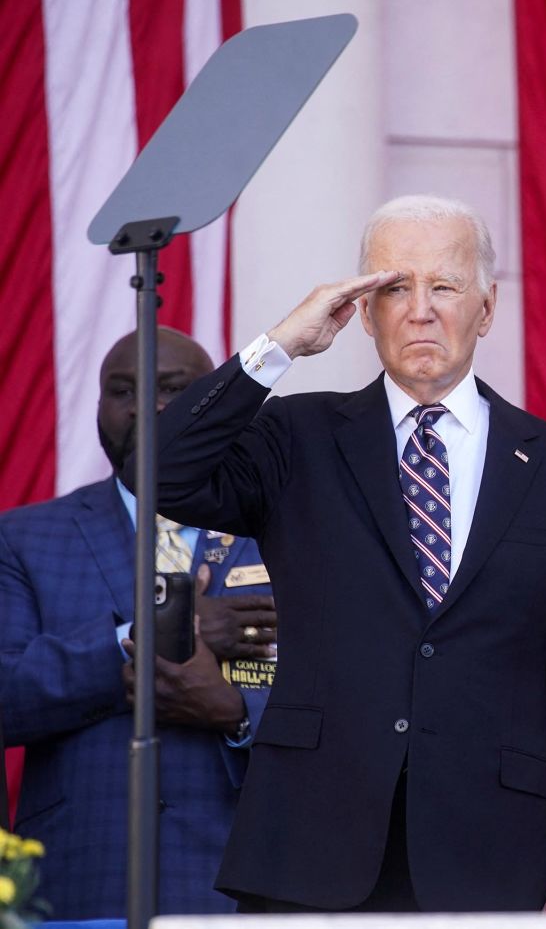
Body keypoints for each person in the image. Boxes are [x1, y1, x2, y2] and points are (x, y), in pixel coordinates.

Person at [136, 195, 546, 912]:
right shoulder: (296, 438)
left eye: (445, 286)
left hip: (492, 861)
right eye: (395, 287)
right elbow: (163, 469)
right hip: (310, 851)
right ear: (363, 313)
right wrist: (279, 346)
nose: (420, 309)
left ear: (487, 308)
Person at [0, 328, 277, 918]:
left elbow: (345, 704)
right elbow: (6, 694)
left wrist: (234, 715)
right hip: (81, 881)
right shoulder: (24, 538)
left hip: (245, 884)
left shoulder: (286, 537)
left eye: (173, 389)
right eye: (121, 390)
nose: (146, 407)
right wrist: (141, 638)